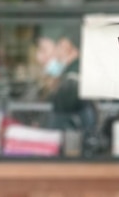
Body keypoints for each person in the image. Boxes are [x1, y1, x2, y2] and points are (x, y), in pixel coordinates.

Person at [35, 25, 99, 156]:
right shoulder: (75, 77)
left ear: (67, 47)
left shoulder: (72, 81)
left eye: (59, 47)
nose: (39, 58)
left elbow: (54, 124)